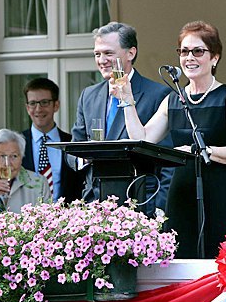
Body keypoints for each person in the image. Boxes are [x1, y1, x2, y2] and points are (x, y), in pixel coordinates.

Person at [110, 20, 226, 259]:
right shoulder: (173, 100)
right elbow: (143, 139)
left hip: (219, 192)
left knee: (217, 261)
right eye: (184, 51)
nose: (189, 58)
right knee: (181, 257)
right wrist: (127, 100)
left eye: (198, 51)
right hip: (181, 192)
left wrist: (203, 151)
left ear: (214, 57)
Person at [70, 21, 173, 214]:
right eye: (97, 54)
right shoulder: (88, 95)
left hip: (140, 204)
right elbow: (74, 149)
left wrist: (159, 208)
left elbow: (168, 162)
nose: (102, 60)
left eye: (108, 53)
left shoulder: (158, 94)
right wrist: (88, 157)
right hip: (95, 204)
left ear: (131, 53)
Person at [21, 78, 84, 203]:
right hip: (25, 218)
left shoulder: (72, 143)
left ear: (56, 105)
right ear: (27, 108)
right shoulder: (17, 144)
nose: (38, 109)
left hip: (66, 218)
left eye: (44, 102)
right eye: (33, 103)